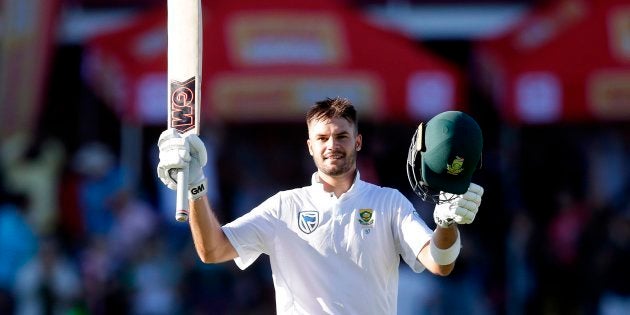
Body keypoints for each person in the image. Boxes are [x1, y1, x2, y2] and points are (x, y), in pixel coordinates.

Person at [156, 97, 484, 314]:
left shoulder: (388, 203)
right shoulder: (284, 206)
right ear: (310, 146)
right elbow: (213, 251)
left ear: (357, 141)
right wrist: (196, 188)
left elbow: (440, 262)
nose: (332, 145)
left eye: (341, 136)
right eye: (323, 138)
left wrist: (446, 222)